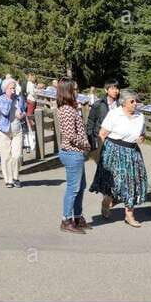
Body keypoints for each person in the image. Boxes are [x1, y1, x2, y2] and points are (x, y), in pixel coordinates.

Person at [89, 89, 148, 227]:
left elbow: (143, 134)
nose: (135, 104)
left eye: (136, 101)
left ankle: (129, 215)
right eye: (132, 101)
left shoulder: (140, 116)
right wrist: (99, 154)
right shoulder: (115, 114)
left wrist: (141, 138)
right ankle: (106, 202)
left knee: (132, 184)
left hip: (132, 152)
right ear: (123, 103)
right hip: (114, 151)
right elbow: (102, 134)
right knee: (114, 183)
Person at [56, 78, 92, 234]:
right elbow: (70, 135)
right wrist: (86, 144)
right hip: (72, 152)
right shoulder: (67, 110)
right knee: (73, 188)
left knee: (81, 186)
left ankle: (77, 217)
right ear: (68, 91)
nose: (77, 92)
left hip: (75, 152)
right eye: (75, 89)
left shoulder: (70, 108)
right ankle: (66, 220)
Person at [0, 78, 26, 188]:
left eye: (14, 88)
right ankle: (8, 180)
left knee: (17, 155)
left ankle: (15, 177)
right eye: (11, 88)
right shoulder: (0, 99)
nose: (13, 90)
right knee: (6, 156)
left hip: (17, 130)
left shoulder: (19, 98)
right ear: (5, 89)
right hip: (4, 131)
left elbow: (23, 110)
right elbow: (5, 111)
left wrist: (22, 115)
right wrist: (9, 99)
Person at [86, 79, 119, 152]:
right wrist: (92, 141)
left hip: (116, 141)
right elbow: (91, 122)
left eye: (116, 88)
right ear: (106, 90)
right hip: (101, 139)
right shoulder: (98, 104)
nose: (115, 91)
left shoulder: (120, 106)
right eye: (112, 88)